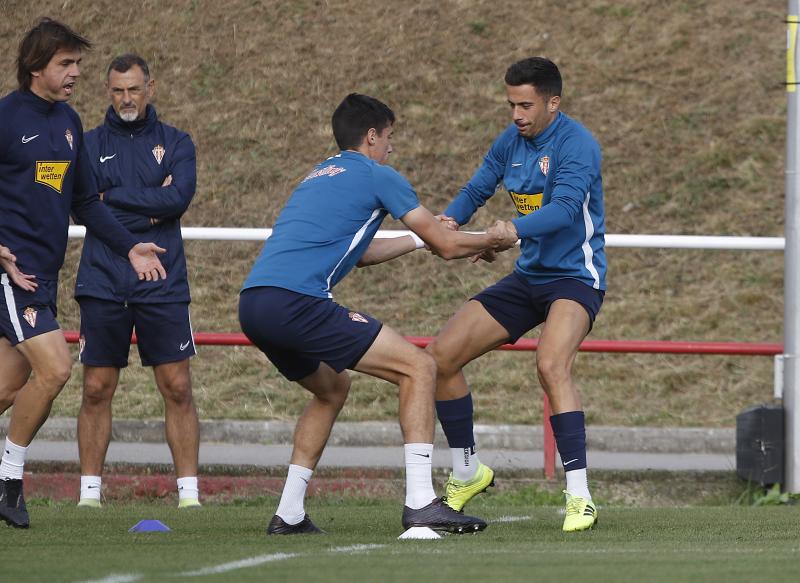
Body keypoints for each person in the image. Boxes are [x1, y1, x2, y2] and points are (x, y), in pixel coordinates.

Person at [238, 93, 517, 535]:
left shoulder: (318, 174)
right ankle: (422, 503)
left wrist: (417, 240)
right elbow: (448, 246)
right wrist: (494, 239)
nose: (392, 146)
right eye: (389, 137)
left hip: (254, 303)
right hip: (297, 302)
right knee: (419, 367)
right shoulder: (378, 174)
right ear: (371, 136)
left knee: (331, 389)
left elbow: (360, 251)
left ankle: (289, 512)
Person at [427, 57, 607, 532]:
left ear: (553, 103)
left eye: (525, 105)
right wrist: (449, 220)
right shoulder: (511, 141)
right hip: (529, 277)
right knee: (441, 357)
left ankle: (580, 496)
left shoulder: (578, 145)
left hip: (574, 279)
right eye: (511, 104)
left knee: (551, 364)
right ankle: (468, 472)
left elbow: (567, 210)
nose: (516, 114)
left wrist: (509, 231)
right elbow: (479, 187)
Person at [0, 18, 167, 529]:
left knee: (7, 389)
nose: (75, 72)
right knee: (54, 369)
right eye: (65, 64)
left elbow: (86, 205)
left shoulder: (70, 123)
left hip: (41, 276)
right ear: (36, 67)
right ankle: (9, 481)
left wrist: (130, 248)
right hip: (11, 274)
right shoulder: (6, 118)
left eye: (77, 63)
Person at [73, 54, 200, 509]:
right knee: (95, 388)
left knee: (178, 386)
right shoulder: (85, 145)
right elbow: (81, 205)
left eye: (134, 89)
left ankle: (189, 497)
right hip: (103, 278)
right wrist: (149, 204)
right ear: (108, 91)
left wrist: (111, 198)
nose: (126, 98)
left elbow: (178, 197)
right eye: (117, 90)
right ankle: (89, 496)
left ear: (151, 87)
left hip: (163, 279)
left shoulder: (178, 142)